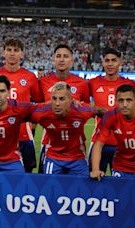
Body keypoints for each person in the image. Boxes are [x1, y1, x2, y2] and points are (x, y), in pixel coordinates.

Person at [0, 38, 43, 173]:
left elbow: (39, 102)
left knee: (26, 173)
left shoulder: (29, 76)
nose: (12, 53)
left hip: (23, 134)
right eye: (9, 50)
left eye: (16, 50)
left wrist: (32, 124)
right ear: (3, 53)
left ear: (22, 54)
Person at [88, 48, 135, 173]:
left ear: (120, 62)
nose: (110, 64)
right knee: (93, 180)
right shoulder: (93, 83)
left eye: (114, 60)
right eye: (107, 60)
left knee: (120, 183)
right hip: (98, 142)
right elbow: (78, 99)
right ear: (102, 63)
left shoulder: (130, 84)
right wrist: (94, 109)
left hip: (122, 144)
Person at [38, 44, 91, 173]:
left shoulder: (82, 84)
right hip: (49, 144)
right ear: (53, 60)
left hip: (75, 147)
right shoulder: (43, 81)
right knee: (48, 186)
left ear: (72, 61)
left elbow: (85, 109)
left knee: (79, 188)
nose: (62, 60)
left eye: (66, 56)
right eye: (58, 56)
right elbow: (38, 108)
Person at [31, 82, 97, 175]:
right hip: (53, 157)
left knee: (82, 188)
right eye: (54, 99)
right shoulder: (43, 112)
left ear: (70, 99)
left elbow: (101, 112)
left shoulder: (81, 110)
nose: (57, 103)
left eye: (62, 99)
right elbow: (23, 113)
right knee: (51, 188)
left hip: (77, 158)